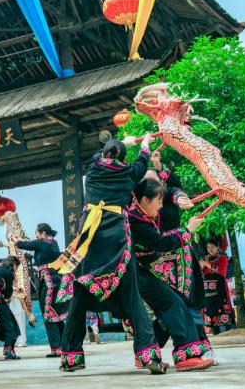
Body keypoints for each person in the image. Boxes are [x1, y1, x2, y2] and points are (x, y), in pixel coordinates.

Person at [51, 136, 166, 374]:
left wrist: (125, 142)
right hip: (116, 240)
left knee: (79, 300)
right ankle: (149, 356)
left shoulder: (93, 170)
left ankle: (70, 357)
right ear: (122, 158)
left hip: (89, 241)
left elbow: (99, 155)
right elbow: (143, 162)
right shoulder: (128, 173)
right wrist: (143, 144)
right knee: (133, 299)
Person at [127, 176, 212, 371]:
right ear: (145, 199)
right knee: (174, 303)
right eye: (158, 202)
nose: (160, 207)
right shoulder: (136, 220)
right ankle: (186, 355)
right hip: (137, 272)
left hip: (146, 269)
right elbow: (162, 243)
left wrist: (181, 198)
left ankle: (147, 354)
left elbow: (175, 191)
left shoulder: (143, 213)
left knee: (171, 307)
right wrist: (188, 229)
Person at [13, 223, 67, 357]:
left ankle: (56, 348)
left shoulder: (43, 242)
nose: (36, 236)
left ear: (43, 233)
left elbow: (25, 244)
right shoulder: (51, 243)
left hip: (49, 283)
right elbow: (32, 243)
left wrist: (15, 240)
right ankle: (65, 345)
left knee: (49, 315)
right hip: (53, 282)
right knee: (56, 316)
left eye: (37, 233)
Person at [201, 240, 235, 334]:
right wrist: (201, 265)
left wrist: (206, 265)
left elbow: (222, 271)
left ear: (217, 248)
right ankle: (215, 331)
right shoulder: (204, 259)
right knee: (210, 308)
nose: (210, 249)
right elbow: (201, 272)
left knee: (222, 306)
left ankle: (227, 331)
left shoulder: (223, 258)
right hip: (207, 289)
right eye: (208, 247)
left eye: (212, 247)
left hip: (220, 288)